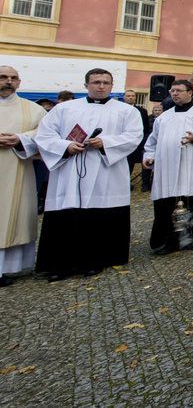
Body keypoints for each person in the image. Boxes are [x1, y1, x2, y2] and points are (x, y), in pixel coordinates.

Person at [33, 68, 143, 280]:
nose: (101, 86)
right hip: (69, 170)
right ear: (86, 85)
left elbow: (134, 136)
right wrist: (66, 146)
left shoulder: (126, 111)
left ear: (112, 86)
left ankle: (95, 261)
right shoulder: (64, 108)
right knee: (66, 215)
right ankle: (60, 264)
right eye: (96, 82)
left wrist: (106, 142)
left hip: (106, 170)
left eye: (105, 82)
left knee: (98, 217)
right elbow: (45, 135)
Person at [143, 79, 193, 254]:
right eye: (172, 91)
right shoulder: (164, 117)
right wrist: (149, 156)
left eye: (179, 90)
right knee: (166, 204)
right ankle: (166, 241)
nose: (174, 94)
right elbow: (153, 141)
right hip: (167, 169)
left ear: (190, 92)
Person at [0, 66, 47, 286]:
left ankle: (8, 267)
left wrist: (20, 139)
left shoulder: (33, 109)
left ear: (19, 82)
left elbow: (47, 133)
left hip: (17, 168)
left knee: (12, 214)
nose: (8, 81)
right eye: (3, 77)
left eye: (13, 78)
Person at [123, 89, 151, 188]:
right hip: (125, 142)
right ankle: (125, 183)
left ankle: (145, 184)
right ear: (124, 97)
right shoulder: (119, 110)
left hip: (139, 143)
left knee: (143, 163)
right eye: (128, 96)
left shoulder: (142, 111)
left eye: (133, 96)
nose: (130, 97)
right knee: (127, 164)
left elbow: (146, 128)